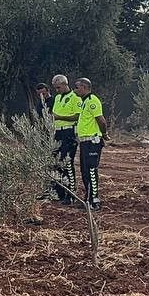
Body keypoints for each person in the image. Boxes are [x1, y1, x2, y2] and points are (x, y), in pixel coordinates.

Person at [73, 77, 109, 211]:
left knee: (92, 170)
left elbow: (101, 120)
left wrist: (104, 134)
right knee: (84, 171)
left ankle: (94, 200)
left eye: (77, 87)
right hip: (84, 142)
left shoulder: (93, 101)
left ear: (83, 87)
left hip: (92, 141)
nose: (75, 90)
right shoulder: (83, 102)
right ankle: (87, 198)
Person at [49, 75, 81, 204]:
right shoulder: (57, 98)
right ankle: (58, 192)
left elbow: (77, 116)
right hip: (57, 133)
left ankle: (71, 193)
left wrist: (59, 117)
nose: (57, 90)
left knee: (67, 163)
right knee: (56, 162)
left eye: (58, 87)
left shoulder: (75, 98)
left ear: (64, 84)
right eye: (55, 88)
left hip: (69, 132)